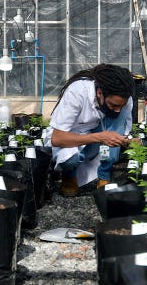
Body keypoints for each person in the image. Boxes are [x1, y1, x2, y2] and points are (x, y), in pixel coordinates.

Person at [44, 64, 135, 196]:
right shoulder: (77, 92)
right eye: (113, 105)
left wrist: (128, 140)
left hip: (96, 132)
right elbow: (57, 138)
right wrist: (100, 137)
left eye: (122, 105)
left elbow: (121, 129)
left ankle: (104, 175)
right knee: (70, 159)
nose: (118, 110)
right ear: (99, 93)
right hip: (70, 135)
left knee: (111, 142)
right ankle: (69, 176)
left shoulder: (123, 98)